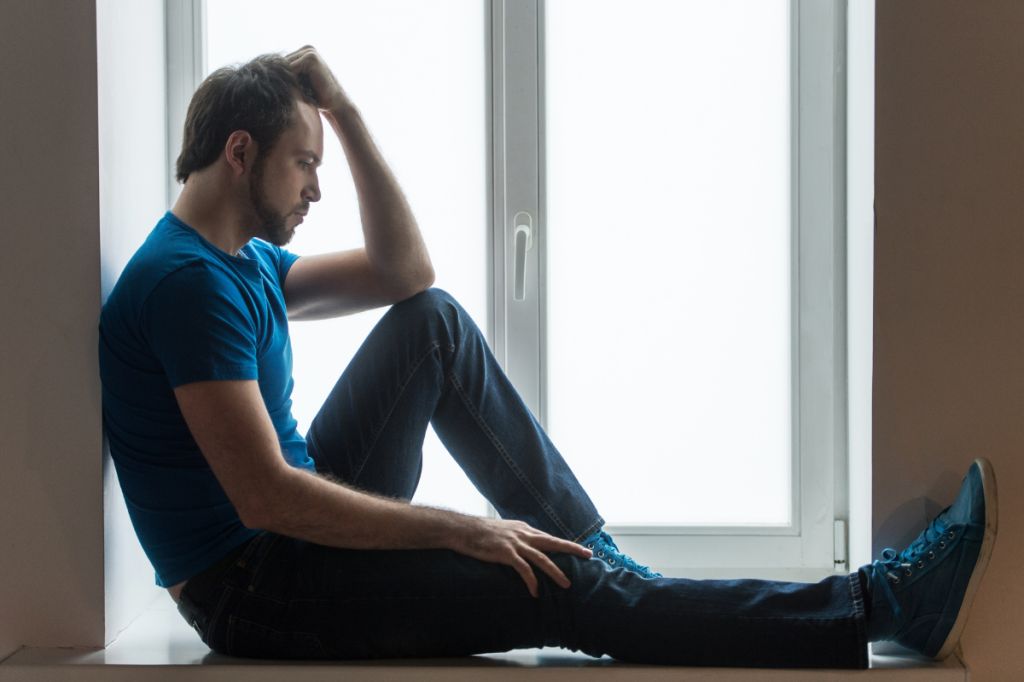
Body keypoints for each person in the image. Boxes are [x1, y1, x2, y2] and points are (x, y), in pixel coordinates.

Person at [99, 46, 998, 668]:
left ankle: (615, 570)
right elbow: (265, 497)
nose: (316, 190)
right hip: (256, 587)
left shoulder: (243, 260)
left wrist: (346, 112)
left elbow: (406, 273)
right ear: (240, 152)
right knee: (552, 586)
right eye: (304, 164)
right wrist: (466, 527)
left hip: (285, 534)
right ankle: (879, 604)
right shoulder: (186, 285)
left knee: (434, 326)